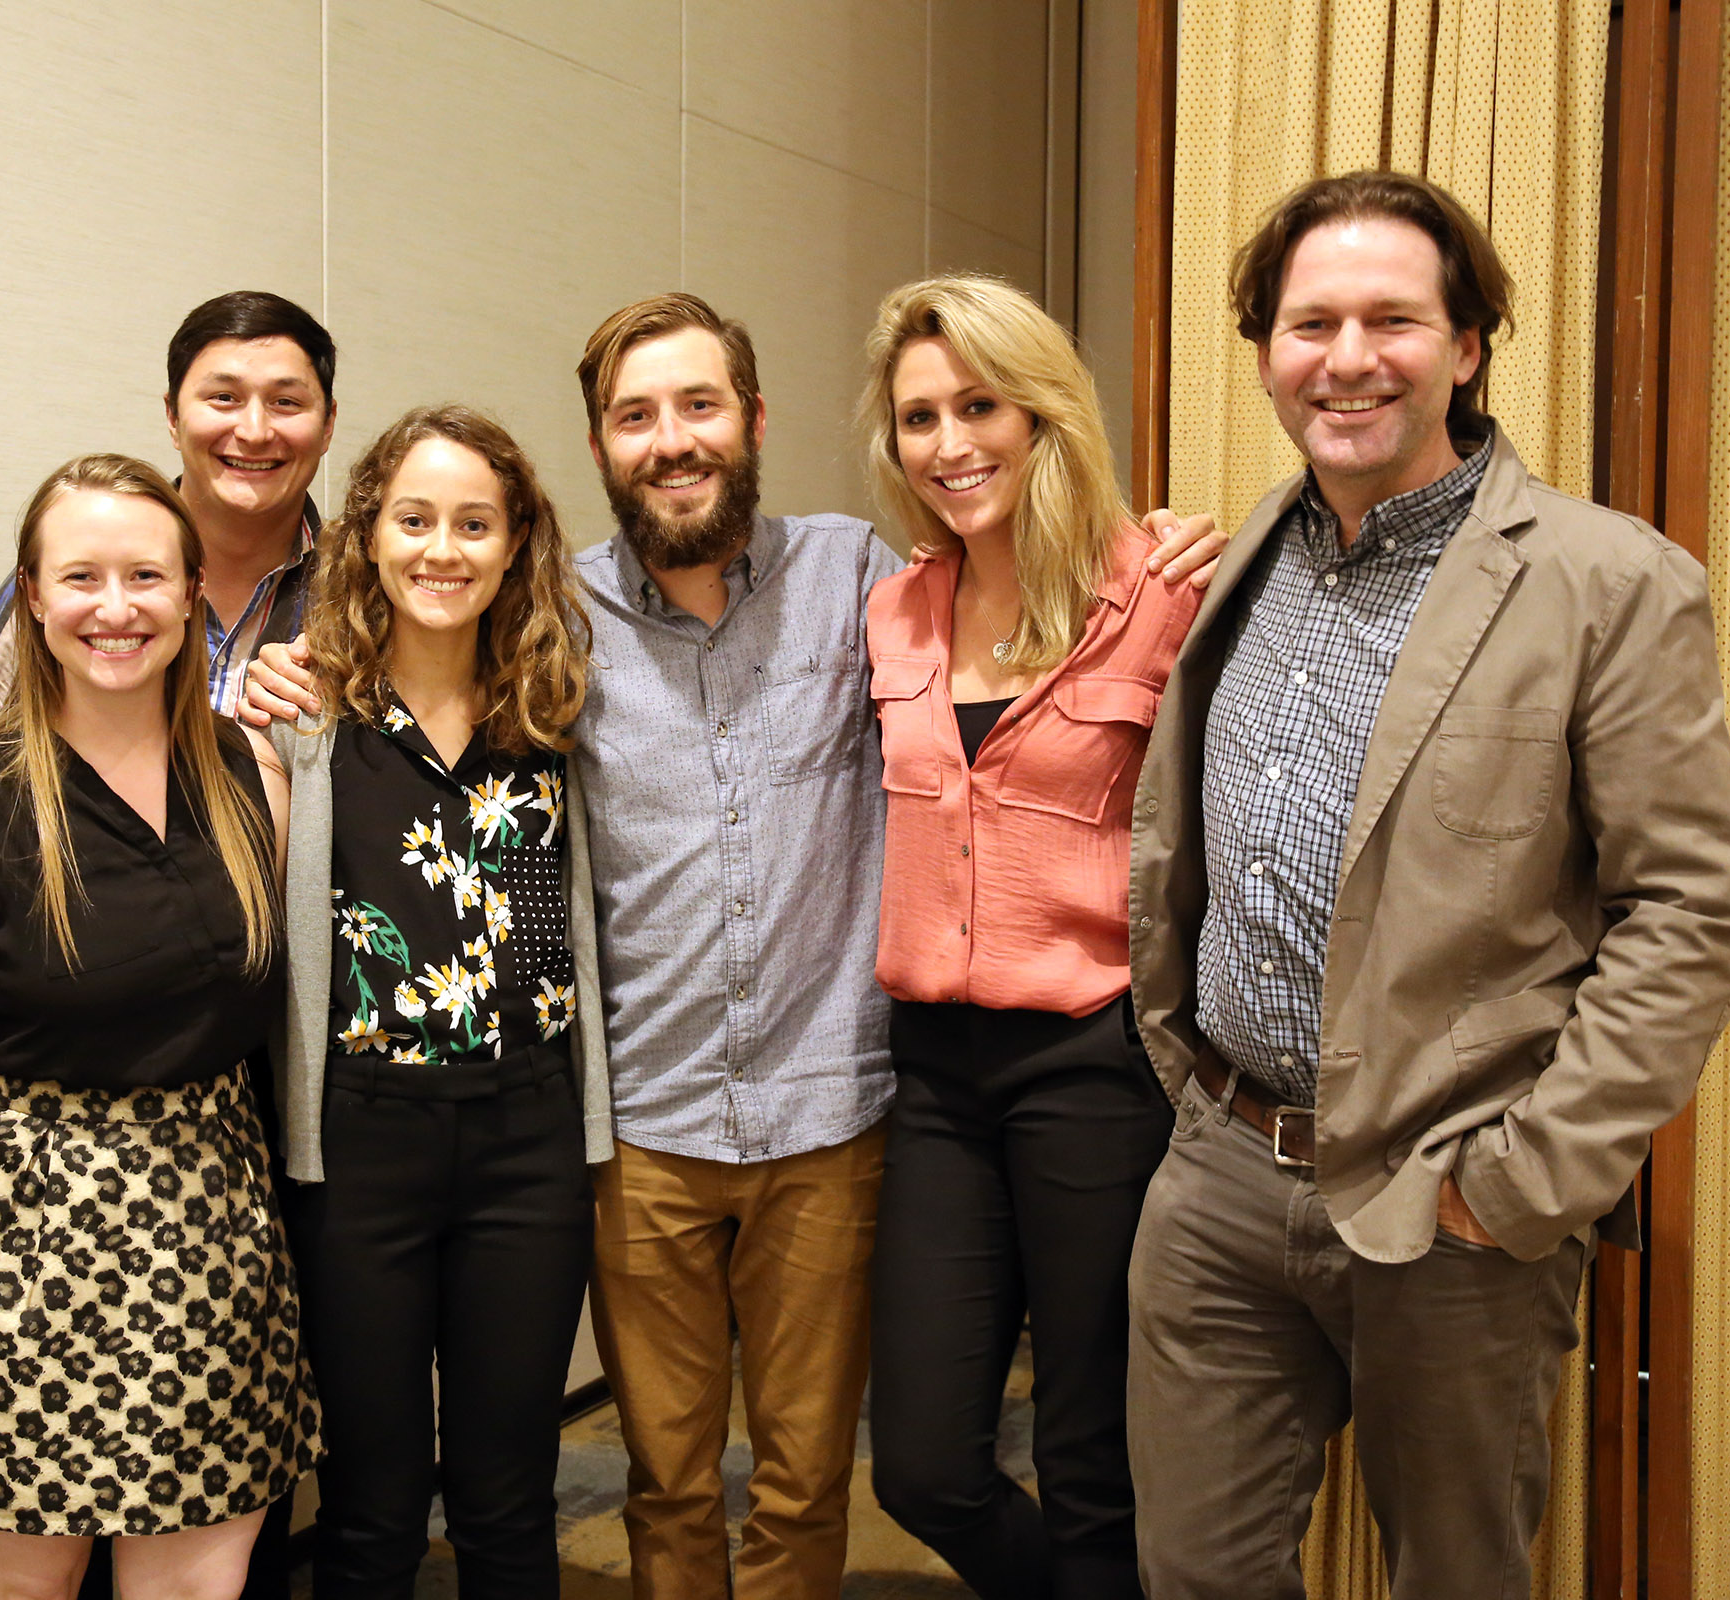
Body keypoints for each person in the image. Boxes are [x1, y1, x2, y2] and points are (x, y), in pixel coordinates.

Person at [248, 293, 1223, 1597]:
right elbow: (413, 666)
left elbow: (1023, 601)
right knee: (664, 1484)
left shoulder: (867, 582)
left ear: (753, 421)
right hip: (642, 1131)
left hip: (835, 1114)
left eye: (699, 405)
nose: (672, 440)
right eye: (635, 417)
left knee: (811, 1484)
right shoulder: (558, 622)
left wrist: (1136, 551)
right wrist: (278, 674)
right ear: (599, 448)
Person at [1124, 170, 1730, 1600]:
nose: (1346, 357)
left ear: (1467, 345)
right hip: (1222, 1175)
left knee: (1457, 1580)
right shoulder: (1243, 561)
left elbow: (1700, 909)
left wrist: (1521, 1180)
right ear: (1268, 349)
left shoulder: (1612, 582)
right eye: (1310, 324)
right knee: (1193, 1574)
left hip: (1452, 1199)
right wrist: (1183, 1089)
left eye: (1391, 320)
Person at [0, 455, 320, 1600]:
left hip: (214, 1238)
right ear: (33, 598)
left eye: (146, 575)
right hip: (20, 1250)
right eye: (81, 576)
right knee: (27, 1589)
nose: (115, 606)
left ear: (192, 591)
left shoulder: (254, 771)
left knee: (201, 1583)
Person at [858, 274, 1202, 1600]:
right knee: (923, 1465)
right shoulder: (894, 612)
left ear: (1044, 411)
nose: (949, 444)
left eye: (978, 405)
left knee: (1094, 1460)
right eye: (918, 417)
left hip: (1094, 1067)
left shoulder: (1160, 592)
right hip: (937, 1072)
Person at [267, 405, 613, 1597]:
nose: (442, 549)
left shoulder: (554, 717)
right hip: (362, 1138)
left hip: (529, 1135)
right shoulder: (307, 722)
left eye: (476, 523)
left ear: (516, 542)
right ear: (367, 535)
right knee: (369, 1505)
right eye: (414, 520)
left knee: (509, 1502)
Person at [0, 290, 336, 715]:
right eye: (224, 398)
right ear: (173, 418)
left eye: (285, 403)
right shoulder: (75, 561)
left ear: (327, 425)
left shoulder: (362, 594)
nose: (254, 432)